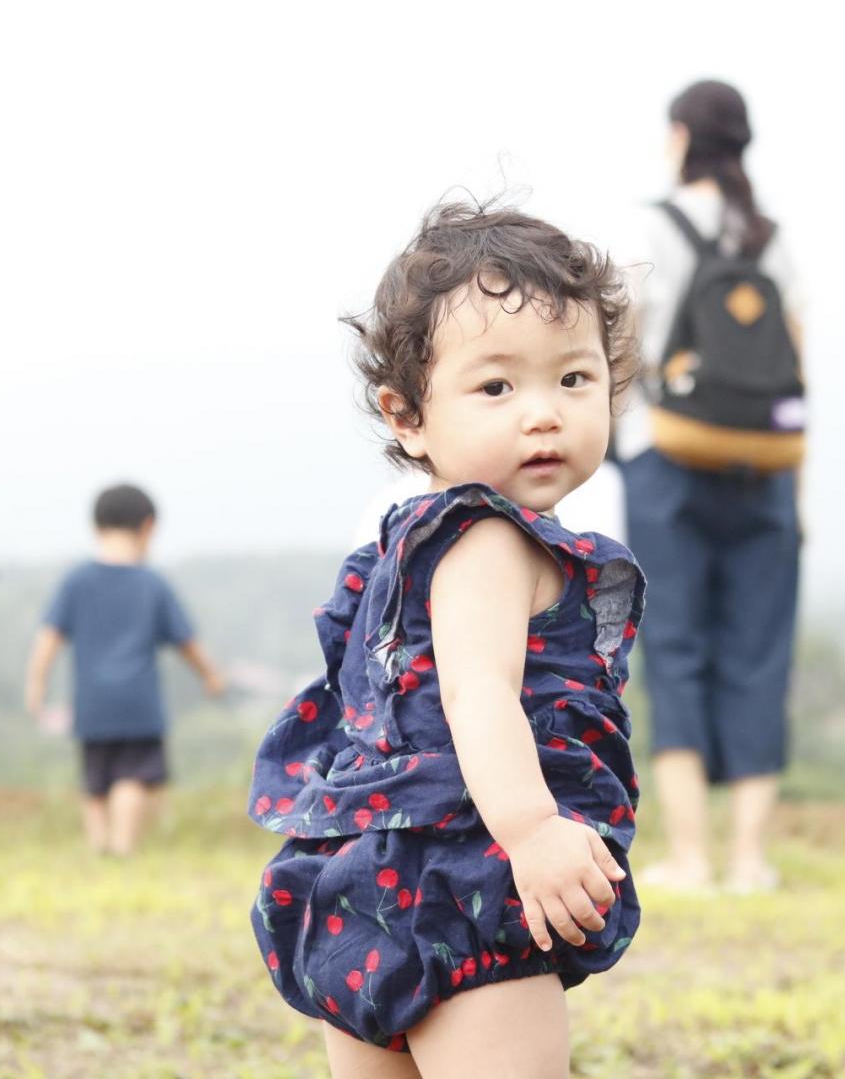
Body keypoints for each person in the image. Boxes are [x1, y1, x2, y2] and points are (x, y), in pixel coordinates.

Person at [247, 202, 646, 1078]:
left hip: (360, 879)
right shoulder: (491, 538)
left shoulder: (403, 537)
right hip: (465, 878)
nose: (543, 415)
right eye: (497, 388)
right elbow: (478, 692)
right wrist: (535, 830)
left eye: (575, 380)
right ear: (408, 416)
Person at [616, 79, 807, 894]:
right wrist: (799, 487)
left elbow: (621, 349)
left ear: (682, 135)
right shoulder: (771, 240)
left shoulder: (650, 226)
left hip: (668, 456)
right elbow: (798, 366)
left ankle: (691, 858)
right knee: (760, 652)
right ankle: (749, 860)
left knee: (677, 647)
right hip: (766, 465)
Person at [24, 483, 227, 857]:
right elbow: (187, 642)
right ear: (148, 526)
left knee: (95, 781)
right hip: (138, 702)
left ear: (96, 525)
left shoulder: (76, 580)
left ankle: (99, 843)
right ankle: (121, 846)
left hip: (91, 702)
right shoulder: (151, 583)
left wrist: (36, 686)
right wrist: (211, 676)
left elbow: (48, 638)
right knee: (132, 777)